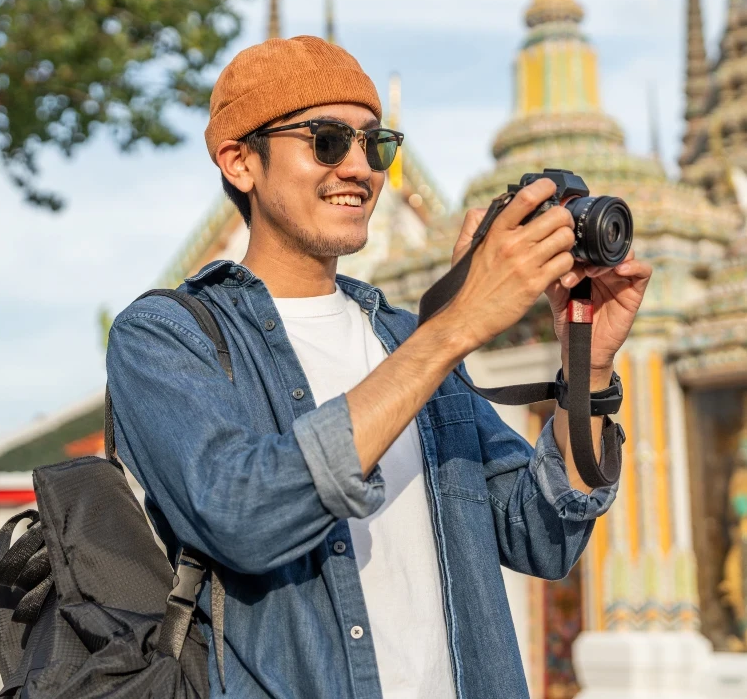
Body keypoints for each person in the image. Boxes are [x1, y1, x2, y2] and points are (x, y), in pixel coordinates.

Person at [106, 36, 652, 699]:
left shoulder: (401, 337)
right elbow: (241, 515)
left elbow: (539, 533)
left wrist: (587, 367)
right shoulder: (165, 335)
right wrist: (452, 328)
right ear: (240, 161)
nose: (361, 169)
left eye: (376, 145)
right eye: (328, 141)